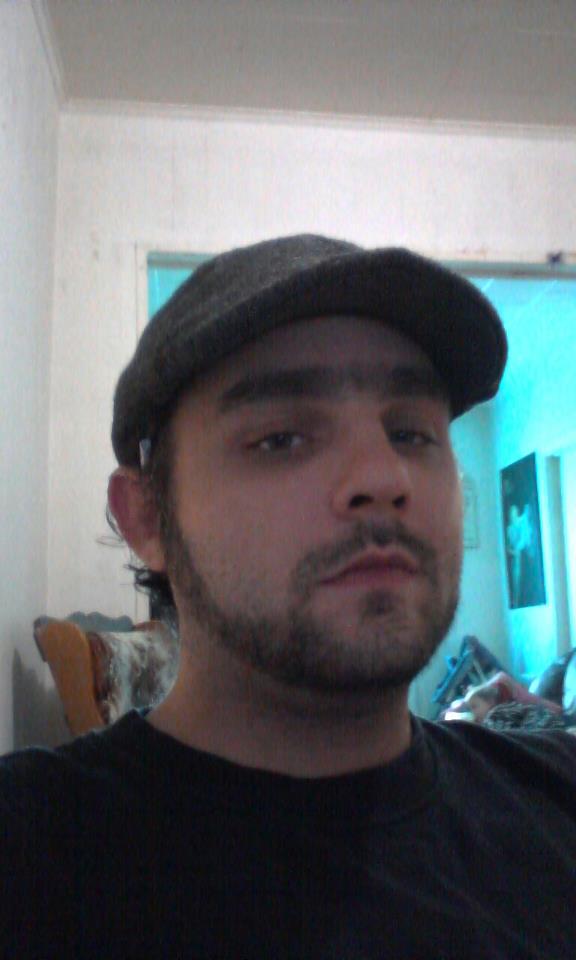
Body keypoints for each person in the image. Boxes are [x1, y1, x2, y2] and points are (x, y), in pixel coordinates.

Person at [1, 234, 575, 959]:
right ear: (147, 517)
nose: (384, 476)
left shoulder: (555, 799)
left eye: (411, 432)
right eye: (281, 439)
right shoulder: (32, 855)